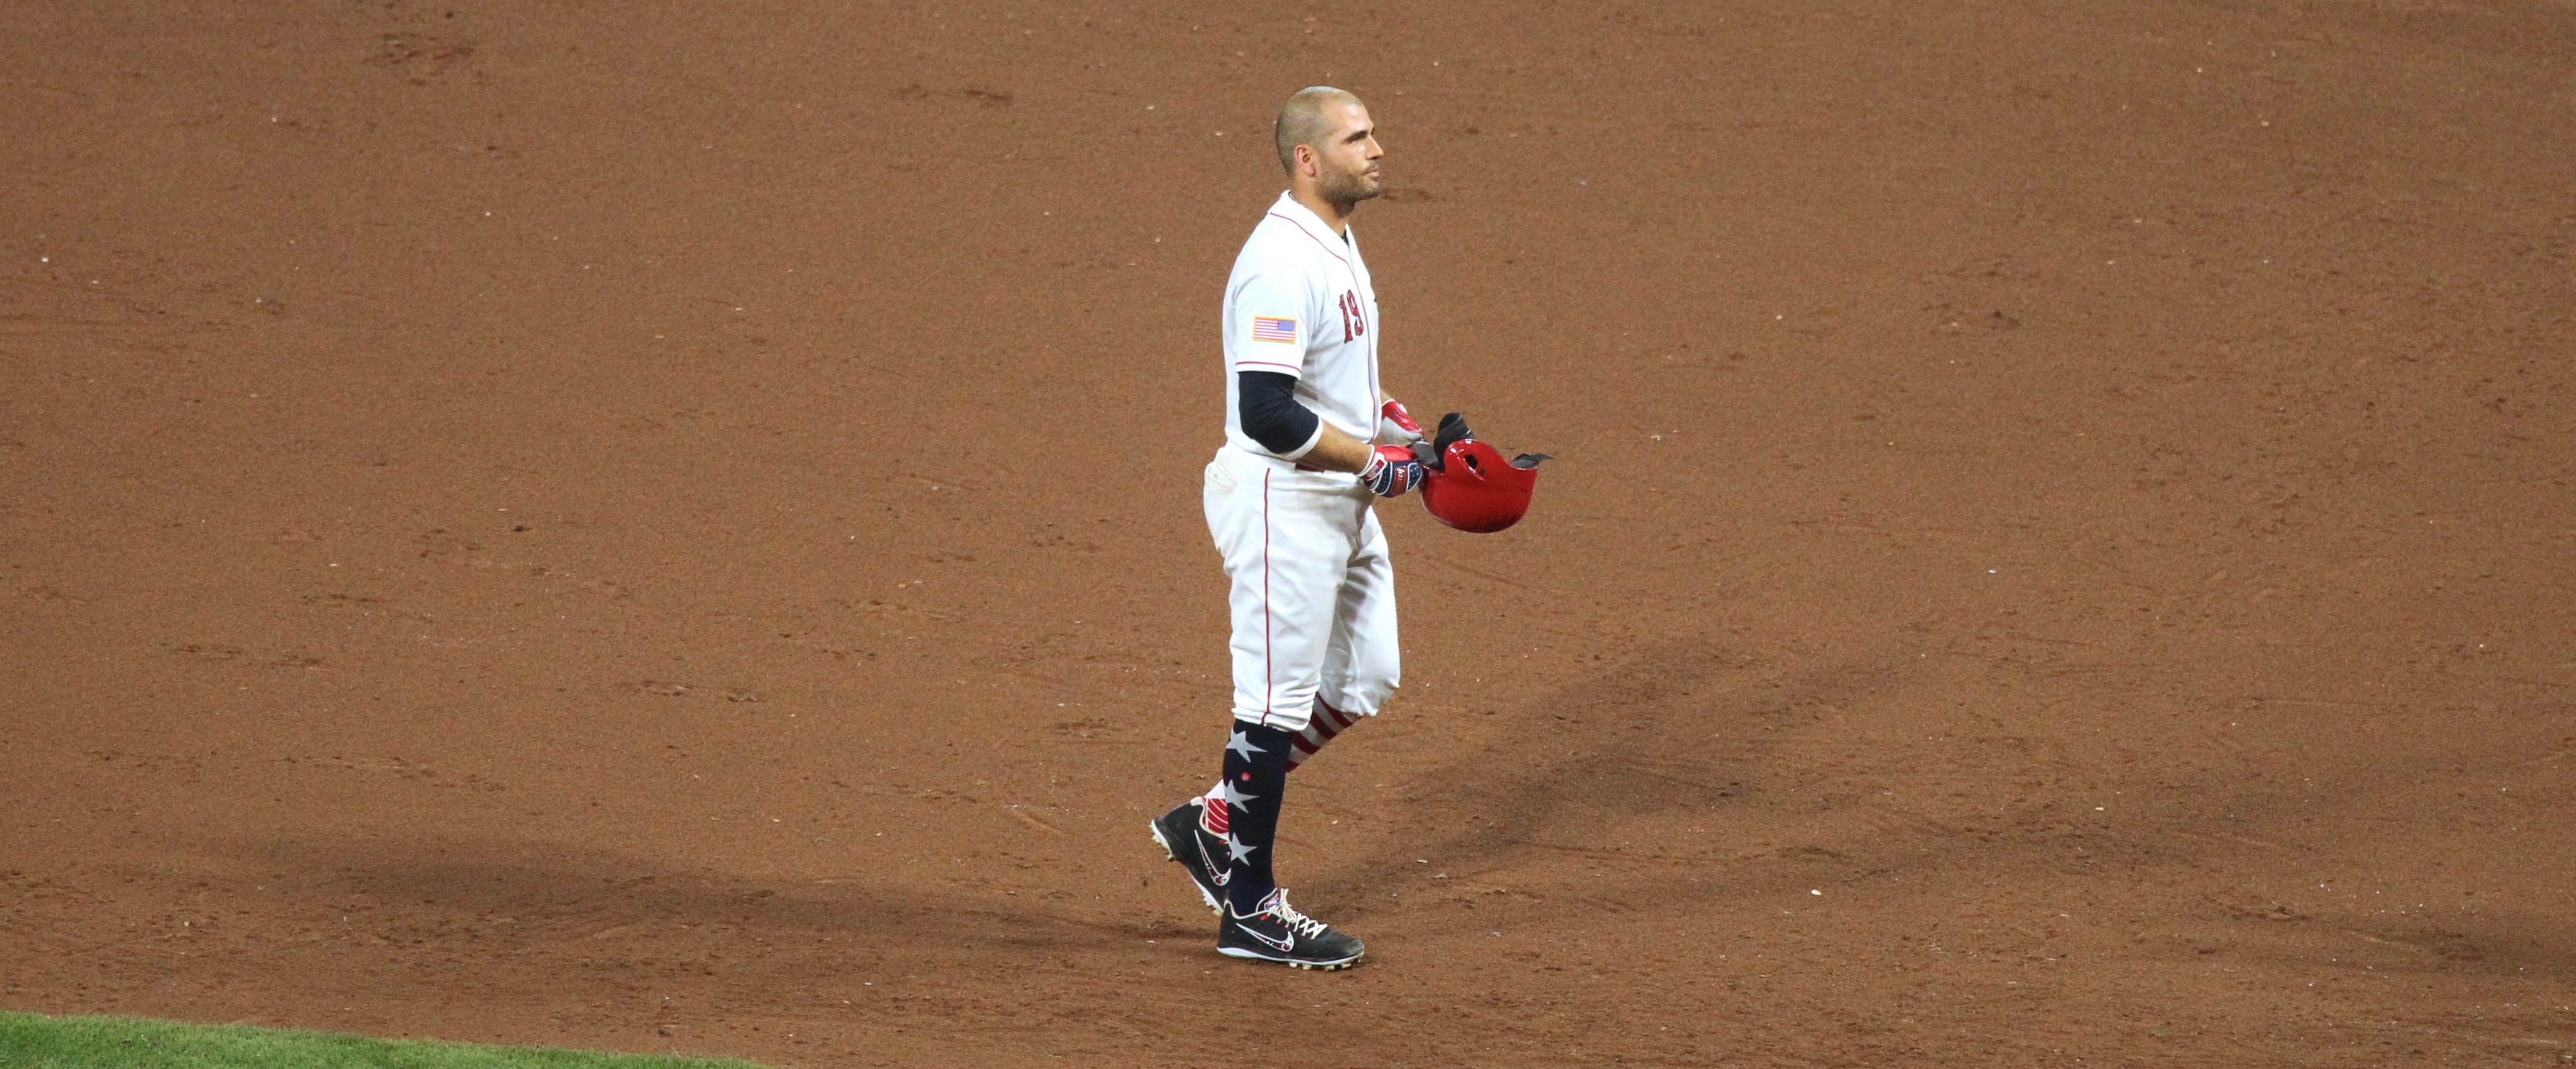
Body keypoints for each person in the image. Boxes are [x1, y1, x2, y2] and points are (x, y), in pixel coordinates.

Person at [1147, 86, 1429, 970]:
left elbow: (1324, 378)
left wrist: (1392, 425)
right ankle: (1251, 909)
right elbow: (1268, 410)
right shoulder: (1280, 260)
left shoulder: (1336, 241)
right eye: (1358, 138)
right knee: (1271, 707)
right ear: (1309, 159)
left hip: (1336, 497)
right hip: (1285, 501)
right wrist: (1373, 463)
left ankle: (1211, 821)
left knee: (1369, 673)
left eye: (1375, 131)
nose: (1378, 148)